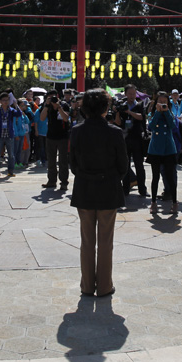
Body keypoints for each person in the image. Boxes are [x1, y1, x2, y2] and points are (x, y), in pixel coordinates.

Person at [69, 88, 128, 298]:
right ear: (105, 108)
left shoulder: (77, 131)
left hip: (84, 189)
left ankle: (86, 285)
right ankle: (104, 286)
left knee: (87, 241)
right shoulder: (114, 132)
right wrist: (111, 177)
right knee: (105, 241)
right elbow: (123, 165)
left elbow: (73, 165)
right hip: (108, 189)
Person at [147, 91, 179, 214]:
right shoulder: (152, 113)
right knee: (155, 177)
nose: (162, 104)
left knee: (170, 177)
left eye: (164, 102)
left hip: (168, 148)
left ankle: (174, 202)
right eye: (160, 102)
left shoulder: (171, 113)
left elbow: (172, 126)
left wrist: (166, 112)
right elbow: (151, 127)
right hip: (155, 148)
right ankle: (153, 202)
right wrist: (157, 112)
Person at [42, 91, 71, 191]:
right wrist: (46, 105)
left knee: (63, 161)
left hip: (62, 136)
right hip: (51, 136)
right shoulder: (47, 106)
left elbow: (66, 118)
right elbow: (42, 118)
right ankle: (51, 181)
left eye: (53, 97)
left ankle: (64, 182)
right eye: (50, 97)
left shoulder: (64, 105)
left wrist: (59, 107)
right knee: (51, 160)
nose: (52, 99)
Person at [0, 92, 21, 178]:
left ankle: (10, 171)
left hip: (9, 134)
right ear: (0, 101)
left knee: (11, 154)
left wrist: (16, 105)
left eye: (7, 100)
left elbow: (19, 114)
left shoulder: (11, 110)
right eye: (3, 100)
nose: (5, 102)